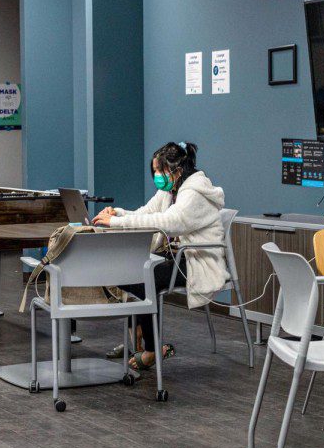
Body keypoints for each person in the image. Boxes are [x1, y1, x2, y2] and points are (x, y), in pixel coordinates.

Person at [92, 141, 228, 371]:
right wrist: (118, 213)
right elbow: (146, 213)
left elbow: (168, 223)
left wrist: (115, 222)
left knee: (145, 278)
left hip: (197, 259)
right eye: (154, 170)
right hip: (175, 256)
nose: (156, 175)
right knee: (125, 269)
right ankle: (138, 327)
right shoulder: (169, 190)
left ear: (176, 169)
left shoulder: (194, 193)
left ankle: (153, 349)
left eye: (159, 170)